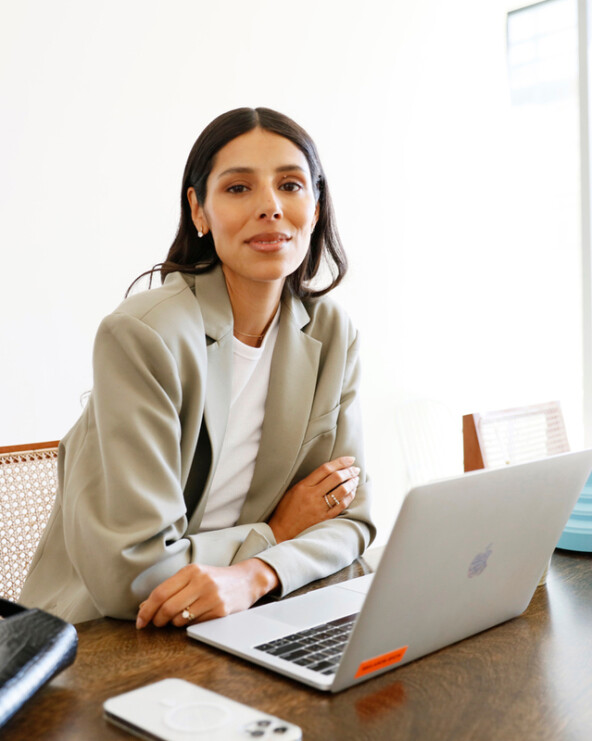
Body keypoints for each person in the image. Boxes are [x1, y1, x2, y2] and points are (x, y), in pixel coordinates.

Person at [19, 107, 375, 627]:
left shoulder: (332, 335)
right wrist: (278, 533)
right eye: (238, 189)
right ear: (199, 210)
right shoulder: (143, 335)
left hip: (242, 614)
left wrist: (258, 573)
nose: (271, 207)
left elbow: (353, 523)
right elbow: (135, 578)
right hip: (101, 640)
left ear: (316, 208)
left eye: (291, 185)